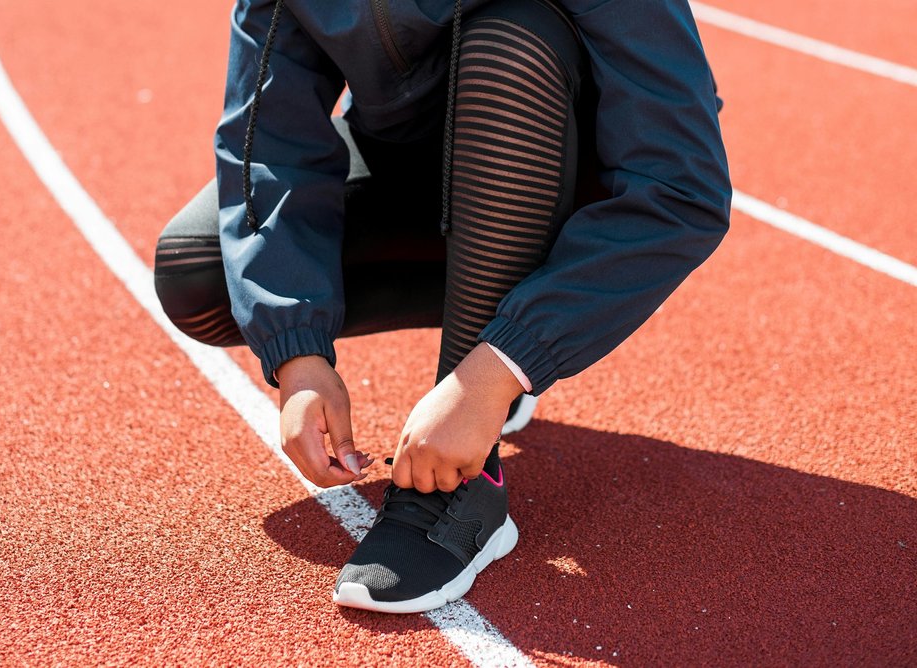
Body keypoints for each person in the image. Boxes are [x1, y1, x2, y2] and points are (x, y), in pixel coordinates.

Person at [154, 0, 730, 613]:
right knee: (201, 276)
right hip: (410, 161)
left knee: (513, 43)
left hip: (555, 163)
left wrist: (493, 374)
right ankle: (505, 319)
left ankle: (465, 482)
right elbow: (269, 144)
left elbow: (680, 186)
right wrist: (296, 350)